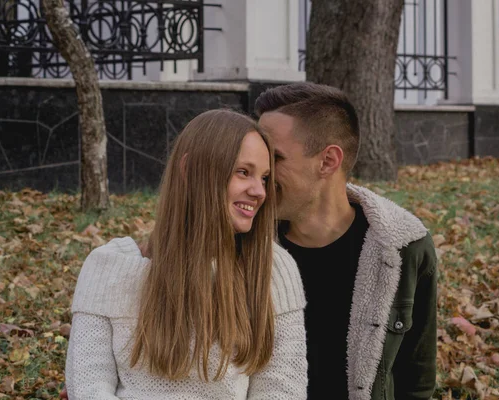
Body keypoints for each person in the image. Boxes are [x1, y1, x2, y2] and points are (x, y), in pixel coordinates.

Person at [64, 109, 308, 399]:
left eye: (265, 178)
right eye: (243, 172)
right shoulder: (109, 268)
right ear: (190, 169)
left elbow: (282, 390)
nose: (260, 191)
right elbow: (88, 387)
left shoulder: (273, 269)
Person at [254, 82, 438, 400]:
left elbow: (417, 381)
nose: (263, 172)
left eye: (275, 158)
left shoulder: (404, 248)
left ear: (328, 161)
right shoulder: (243, 241)